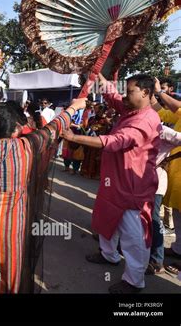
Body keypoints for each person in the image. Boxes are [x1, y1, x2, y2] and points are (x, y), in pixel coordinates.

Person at [0, 98, 87, 293]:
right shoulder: (28, 146)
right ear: (17, 128)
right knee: (8, 264)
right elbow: (55, 127)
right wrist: (74, 108)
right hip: (11, 222)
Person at [62, 74, 160, 293]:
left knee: (134, 237)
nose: (125, 96)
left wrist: (74, 138)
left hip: (132, 187)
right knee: (106, 220)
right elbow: (112, 95)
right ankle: (109, 255)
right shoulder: (130, 109)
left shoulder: (145, 119)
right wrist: (98, 75)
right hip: (113, 182)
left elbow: (115, 142)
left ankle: (134, 281)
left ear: (145, 93)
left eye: (131, 91)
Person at [150, 77, 181, 275]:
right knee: (178, 214)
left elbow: (176, 106)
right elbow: (159, 112)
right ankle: (178, 250)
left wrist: (160, 91)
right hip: (176, 172)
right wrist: (151, 95)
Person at [146, 125, 181, 275]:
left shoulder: (161, 129)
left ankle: (157, 260)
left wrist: (167, 159)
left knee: (154, 219)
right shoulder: (137, 123)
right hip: (139, 182)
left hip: (156, 183)